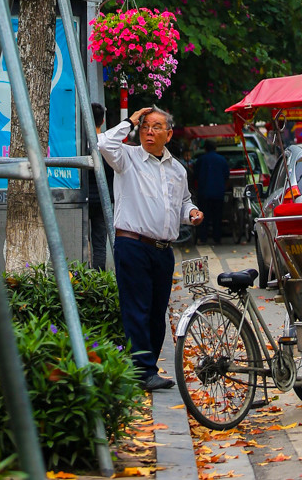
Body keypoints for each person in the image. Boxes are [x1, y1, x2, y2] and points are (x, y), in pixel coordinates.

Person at [99, 105, 203, 389]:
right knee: (137, 308)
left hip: (163, 250)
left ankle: (148, 369)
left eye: (156, 127)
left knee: (158, 312)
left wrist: (191, 213)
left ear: (168, 134)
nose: (149, 131)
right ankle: (143, 371)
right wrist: (129, 121)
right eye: (145, 126)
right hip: (132, 244)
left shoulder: (177, 169)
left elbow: (182, 202)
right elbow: (104, 143)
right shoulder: (127, 158)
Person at [87, 101, 115, 270]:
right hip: (103, 200)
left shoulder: (78, 145)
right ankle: (98, 278)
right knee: (99, 243)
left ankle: (81, 280)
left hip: (82, 198)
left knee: (81, 239)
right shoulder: (108, 145)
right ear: (102, 121)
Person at [193, 139, 231, 244]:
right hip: (218, 193)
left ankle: (203, 238)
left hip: (204, 193)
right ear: (215, 148)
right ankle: (217, 238)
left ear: (205, 148)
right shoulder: (222, 160)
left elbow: (195, 175)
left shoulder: (201, 160)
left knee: (203, 217)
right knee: (217, 217)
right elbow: (226, 176)